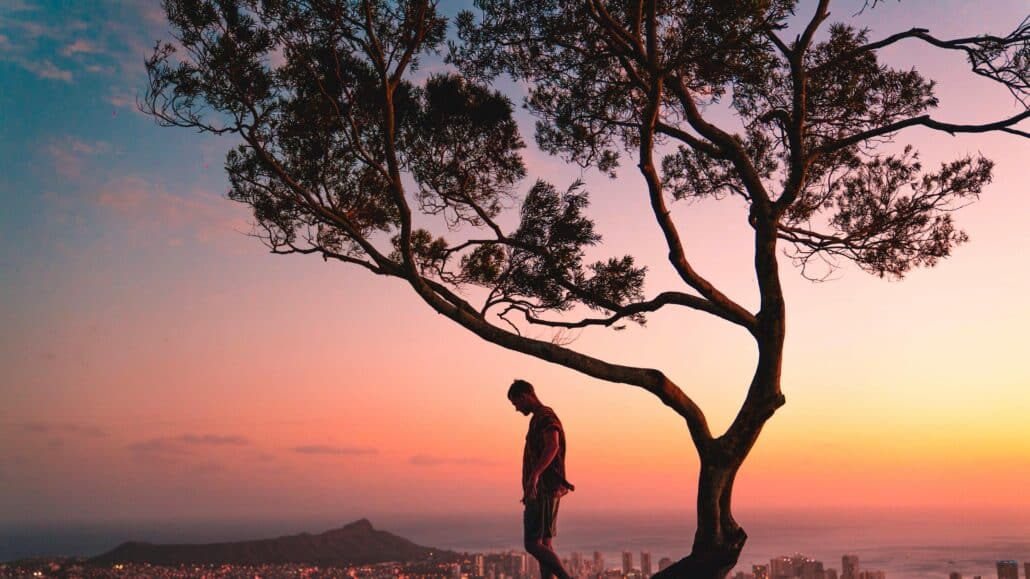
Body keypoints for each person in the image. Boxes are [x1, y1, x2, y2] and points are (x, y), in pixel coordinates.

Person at [508, 379, 575, 579]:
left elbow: (552, 446)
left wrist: (534, 475)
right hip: (546, 488)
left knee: (532, 544)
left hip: (544, 488)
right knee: (544, 544)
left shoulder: (545, 416)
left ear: (526, 395)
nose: (517, 409)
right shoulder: (539, 417)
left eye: (516, 403)